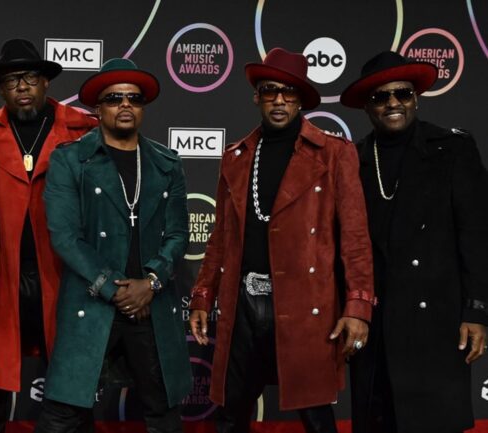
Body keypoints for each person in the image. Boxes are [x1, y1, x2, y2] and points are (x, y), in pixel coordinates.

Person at [188, 48, 375, 433]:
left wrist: (357, 306)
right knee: (229, 410)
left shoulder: (334, 154)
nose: (278, 100)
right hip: (241, 303)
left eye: (289, 92)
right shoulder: (236, 157)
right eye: (269, 90)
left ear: (302, 99)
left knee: (315, 412)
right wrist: (203, 295)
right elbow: (220, 237)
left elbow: (355, 238)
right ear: (257, 96)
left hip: (306, 301)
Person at [34, 58, 191, 433]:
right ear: (98, 108)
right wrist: (116, 289)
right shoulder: (71, 160)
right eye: (114, 98)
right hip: (93, 301)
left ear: (143, 106)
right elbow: (65, 236)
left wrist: (149, 283)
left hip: (150, 304)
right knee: (63, 413)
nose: (124, 105)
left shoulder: (166, 163)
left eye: (133, 98)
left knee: (164, 413)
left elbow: (178, 235)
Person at [340, 51, 488, 433]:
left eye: (402, 94)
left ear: (416, 98)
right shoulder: (353, 160)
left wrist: (476, 311)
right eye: (381, 97)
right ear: (367, 106)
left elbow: (476, 235)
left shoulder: (452, 149)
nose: (393, 103)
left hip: (435, 322)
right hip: (377, 328)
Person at [0, 39, 98, 432]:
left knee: (71, 375)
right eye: (13, 80)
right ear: (1, 89)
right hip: (2, 273)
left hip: (64, 273)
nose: (22, 86)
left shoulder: (84, 130)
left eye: (30, 77)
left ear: (46, 82)